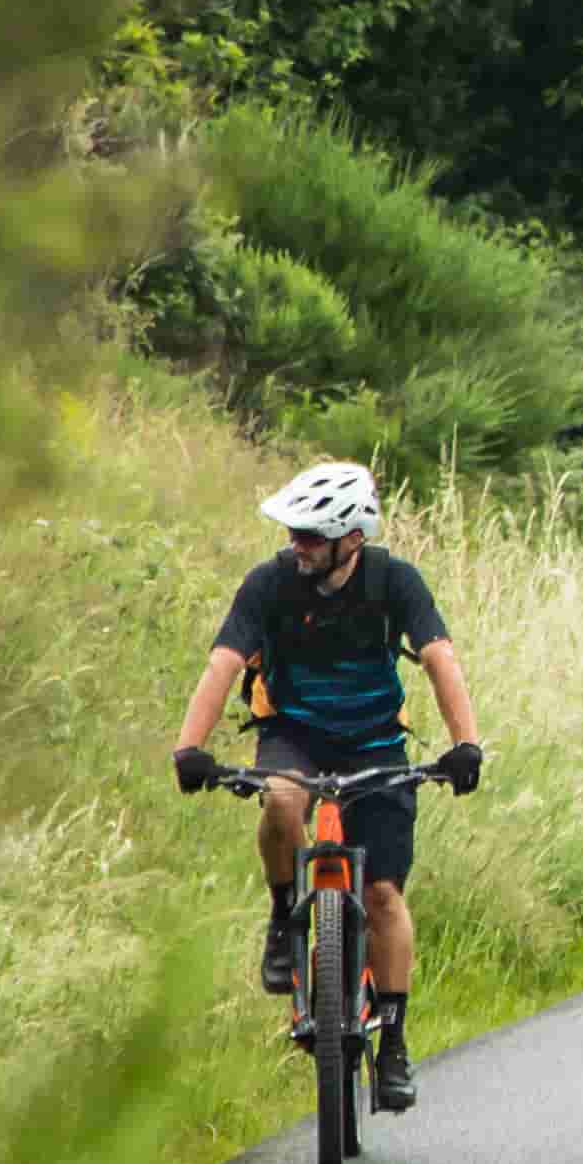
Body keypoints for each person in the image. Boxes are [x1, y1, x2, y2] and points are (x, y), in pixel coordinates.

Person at [166, 459, 486, 1113]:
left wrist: (466, 744)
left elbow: (438, 658)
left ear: (351, 540)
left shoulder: (395, 581)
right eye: (294, 532)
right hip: (295, 734)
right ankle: (286, 916)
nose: (296, 545)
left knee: (384, 894)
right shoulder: (268, 585)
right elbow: (224, 662)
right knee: (283, 801)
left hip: (375, 741)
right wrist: (189, 747)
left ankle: (392, 1042)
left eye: (311, 535)